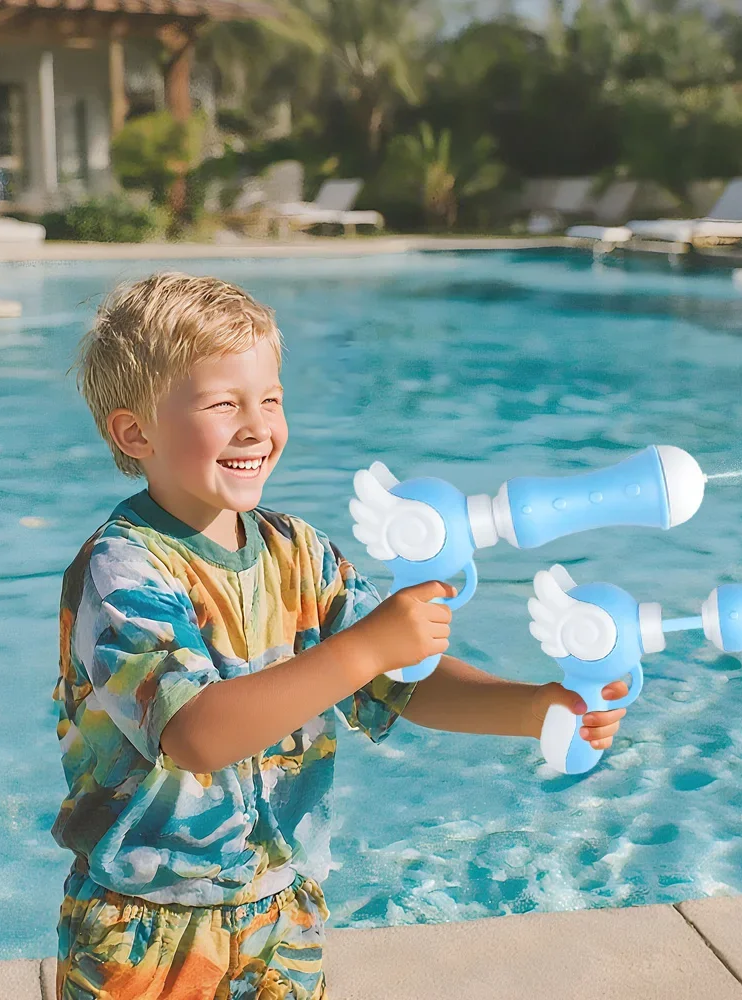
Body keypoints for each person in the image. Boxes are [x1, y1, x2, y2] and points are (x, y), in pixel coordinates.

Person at [52, 273, 631, 999]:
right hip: (148, 928)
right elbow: (194, 735)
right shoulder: (123, 569)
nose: (256, 425)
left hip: (282, 910)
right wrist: (366, 646)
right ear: (136, 432)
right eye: (223, 403)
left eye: (269, 399)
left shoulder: (301, 552)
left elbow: (400, 684)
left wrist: (536, 708)